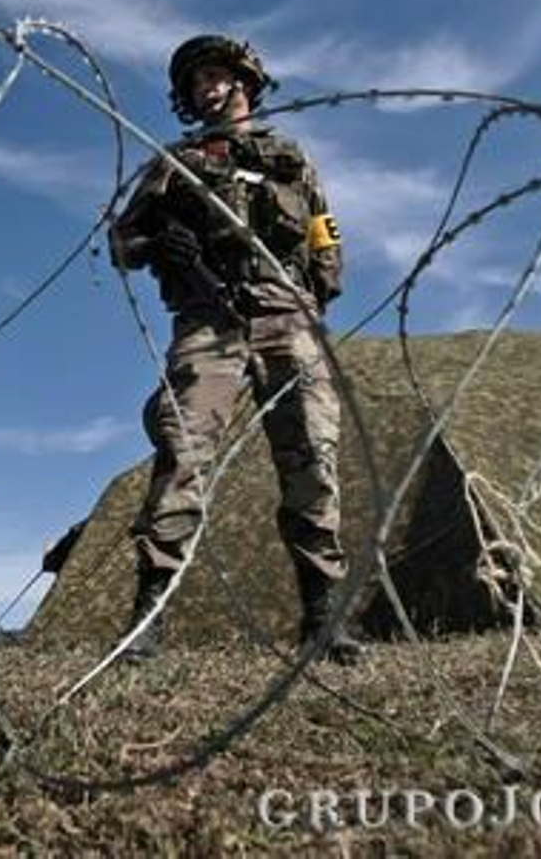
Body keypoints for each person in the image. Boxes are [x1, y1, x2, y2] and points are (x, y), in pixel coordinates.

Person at [108, 35, 362, 665]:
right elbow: (121, 242)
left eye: (215, 75)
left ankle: (323, 616)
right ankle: (151, 616)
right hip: (207, 322)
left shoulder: (290, 157)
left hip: (285, 316)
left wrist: (308, 298)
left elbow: (325, 244)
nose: (206, 87)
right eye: (196, 81)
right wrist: (163, 243)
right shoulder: (175, 163)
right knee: (182, 450)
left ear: (244, 81)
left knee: (312, 456)